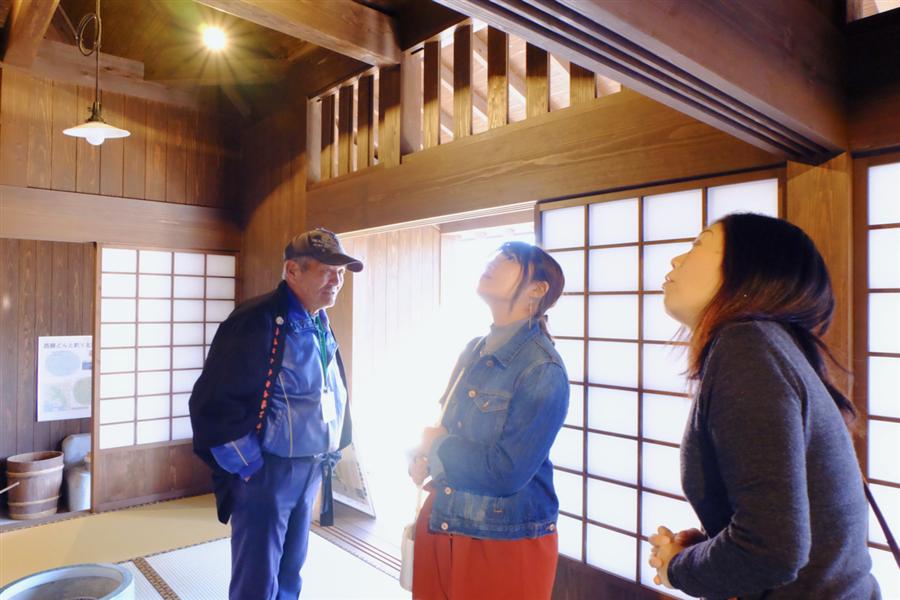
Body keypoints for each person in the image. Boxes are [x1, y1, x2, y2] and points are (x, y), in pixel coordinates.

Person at [648, 213, 880, 599]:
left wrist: (676, 569)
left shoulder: (746, 347)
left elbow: (769, 550)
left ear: (749, 267)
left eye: (698, 244)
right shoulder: (768, 345)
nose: (676, 261)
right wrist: (708, 545)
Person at [189, 228, 362, 600]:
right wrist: (250, 466)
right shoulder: (257, 320)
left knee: (290, 569)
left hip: (310, 466)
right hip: (268, 469)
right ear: (292, 271)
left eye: (341, 274)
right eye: (326, 270)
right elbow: (214, 401)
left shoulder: (318, 319)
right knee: (258, 574)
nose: (336, 281)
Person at [409, 241, 569, 600]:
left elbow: (507, 472)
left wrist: (439, 447)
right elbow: (445, 425)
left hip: (503, 538)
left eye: (509, 259)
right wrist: (420, 456)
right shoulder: (475, 348)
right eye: (494, 255)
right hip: (445, 518)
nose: (493, 261)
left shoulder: (542, 368)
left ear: (537, 290)